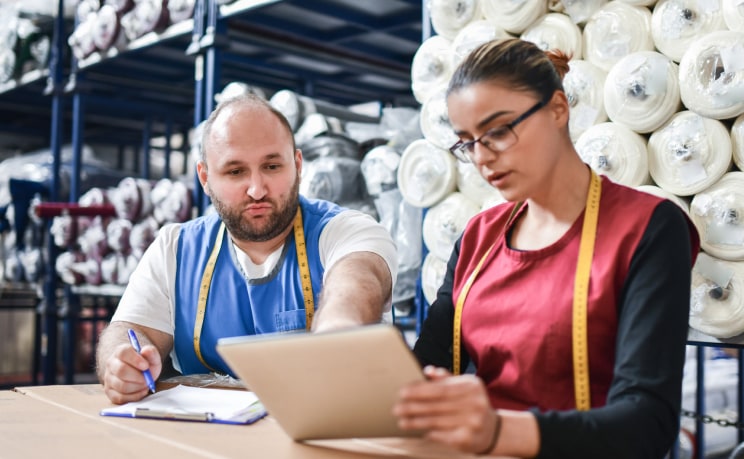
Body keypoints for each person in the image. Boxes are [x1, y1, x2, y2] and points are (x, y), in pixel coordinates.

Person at [393, 38, 700, 458]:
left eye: (498, 131)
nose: (482, 157)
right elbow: (428, 364)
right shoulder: (479, 237)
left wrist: (498, 431)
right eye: (467, 142)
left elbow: (647, 422)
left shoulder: (647, 227)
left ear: (558, 108)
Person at [97, 93, 397, 404]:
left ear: (296, 165)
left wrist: (338, 329)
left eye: (271, 166)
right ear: (204, 177)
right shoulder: (174, 249)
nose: (257, 189)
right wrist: (122, 364)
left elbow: (354, 286)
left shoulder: (347, 231)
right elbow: (128, 329)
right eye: (235, 171)